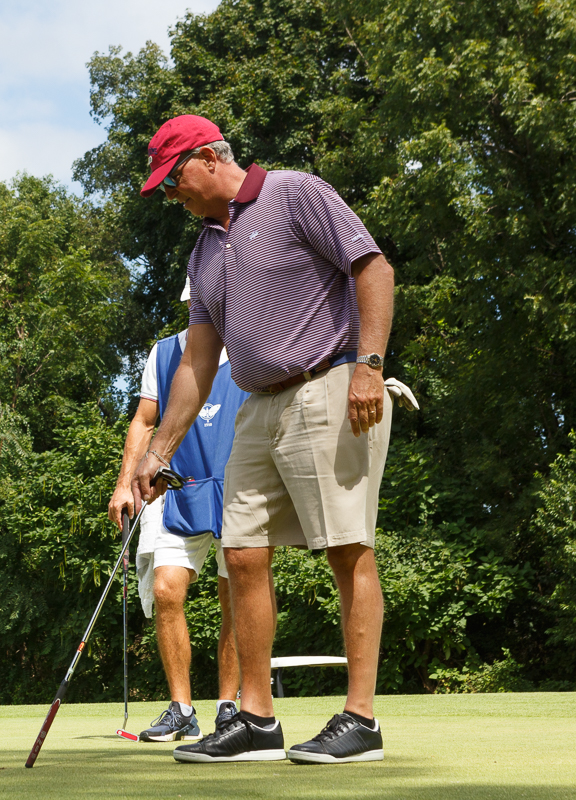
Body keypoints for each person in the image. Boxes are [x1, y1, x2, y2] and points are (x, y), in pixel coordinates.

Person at [130, 115, 396, 764]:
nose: (173, 194)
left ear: (210, 156)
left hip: (331, 385)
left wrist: (370, 365)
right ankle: (255, 718)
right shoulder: (204, 250)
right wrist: (156, 452)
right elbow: (196, 364)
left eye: (175, 179)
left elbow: (374, 267)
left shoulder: (294, 193)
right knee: (241, 554)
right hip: (256, 404)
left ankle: (360, 719)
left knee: (346, 548)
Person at [108, 278, 249, 743]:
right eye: (198, 300)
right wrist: (125, 483)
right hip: (177, 485)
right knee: (167, 591)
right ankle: (182, 708)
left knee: (236, 596)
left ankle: (229, 707)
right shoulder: (165, 352)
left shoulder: (253, 346)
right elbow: (145, 421)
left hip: (240, 484)